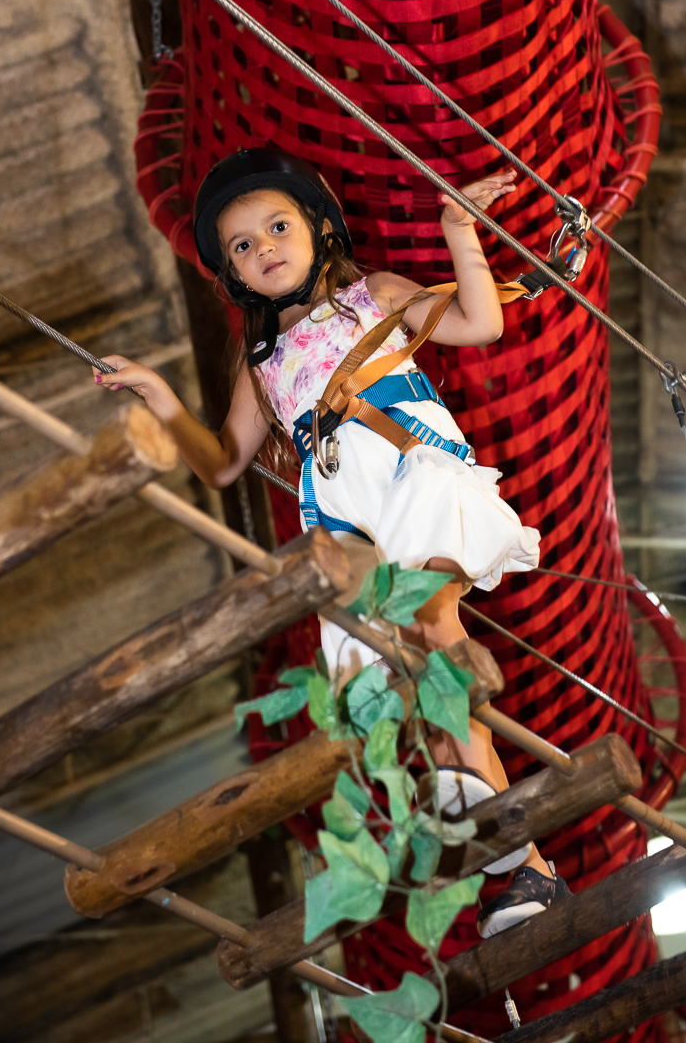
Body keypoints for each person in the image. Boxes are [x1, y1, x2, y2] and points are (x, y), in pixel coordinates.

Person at [92, 147, 570, 935]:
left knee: (432, 627)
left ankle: (500, 844)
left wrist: (459, 228)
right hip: (343, 521)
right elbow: (219, 465)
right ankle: (521, 870)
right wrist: (160, 395)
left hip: (410, 475)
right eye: (241, 246)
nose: (262, 248)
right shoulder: (261, 367)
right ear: (233, 274)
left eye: (276, 226)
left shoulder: (369, 295)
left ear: (318, 229)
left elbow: (480, 323)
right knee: (405, 679)